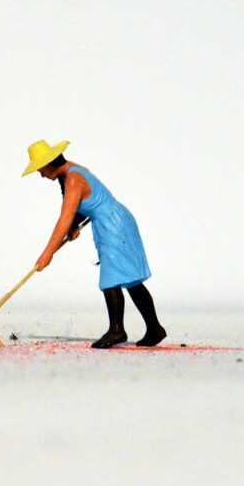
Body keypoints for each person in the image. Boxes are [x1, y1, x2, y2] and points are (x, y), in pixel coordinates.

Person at [23, 139, 166, 349]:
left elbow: (65, 216)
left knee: (111, 278)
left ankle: (117, 330)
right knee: (130, 279)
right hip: (114, 221)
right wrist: (74, 225)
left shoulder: (73, 180)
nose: (41, 175)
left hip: (113, 226)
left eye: (40, 170)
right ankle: (154, 328)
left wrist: (48, 253)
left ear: (49, 163)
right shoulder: (73, 172)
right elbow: (78, 206)